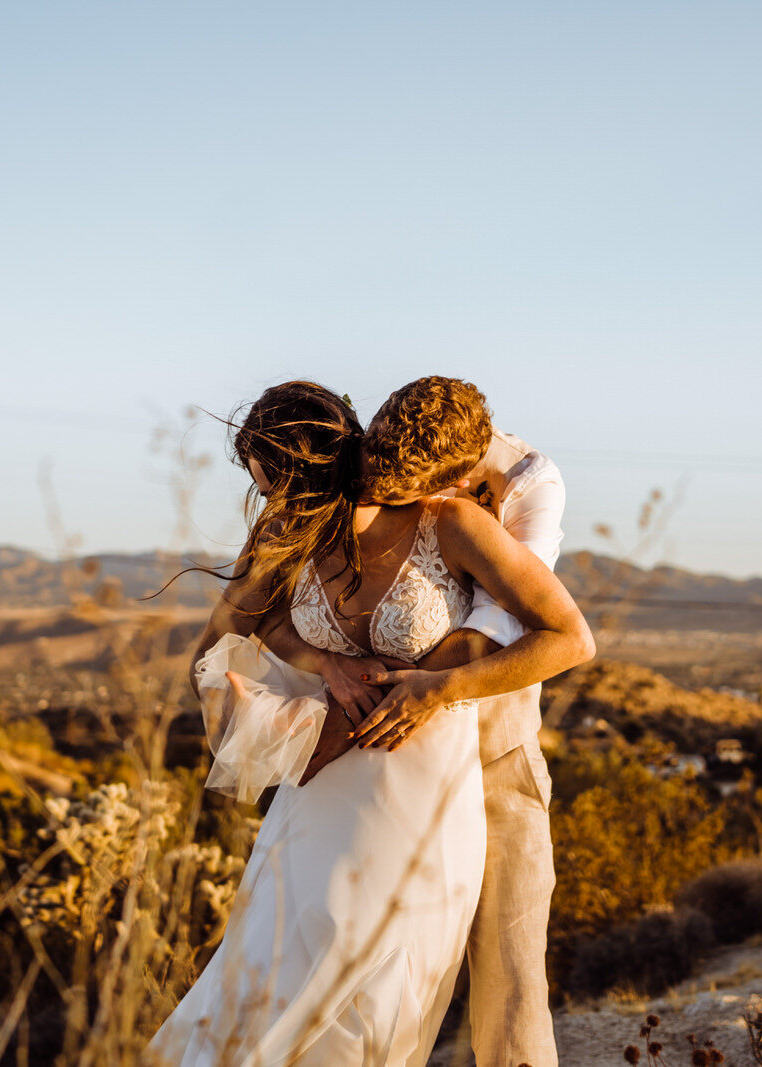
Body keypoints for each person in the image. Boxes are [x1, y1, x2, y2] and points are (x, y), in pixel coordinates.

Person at [148, 381, 593, 1066]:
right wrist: (321, 659)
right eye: (265, 492)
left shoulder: (449, 522)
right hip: (319, 799)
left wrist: (440, 688)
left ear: (320, 469)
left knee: (383, 1008)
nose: (271, 506)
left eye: (280, 487)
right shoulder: (287, 534)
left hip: (425, 803)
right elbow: (223, 638)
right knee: (274, 990)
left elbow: (568, 637)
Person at [270, 376, 568, 1067]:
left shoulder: (529, 487)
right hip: (372, 788)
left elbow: (497, 624)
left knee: (509, 973)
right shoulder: (397, 454)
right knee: (365, 980)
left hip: (491, 758)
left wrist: (426, 690)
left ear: (454, 479)